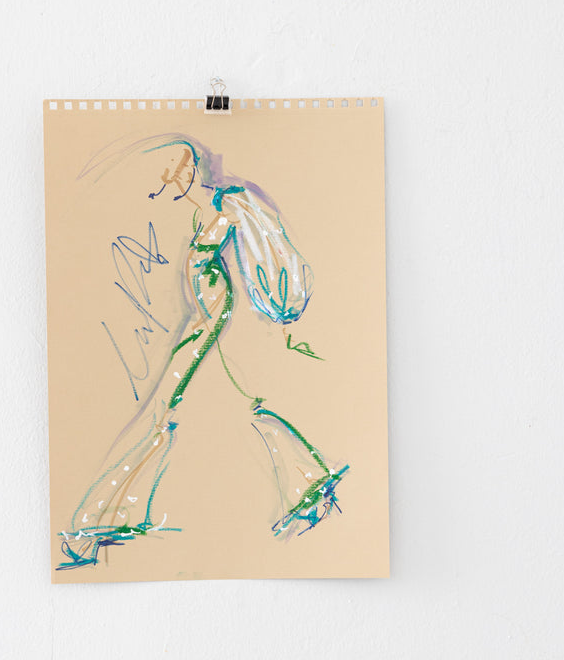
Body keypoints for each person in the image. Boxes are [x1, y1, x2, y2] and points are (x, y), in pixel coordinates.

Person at [58, 135, 347, 570]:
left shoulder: (228, 204)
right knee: (189, 410)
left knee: (176, 410)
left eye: (176, 173)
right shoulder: (193, 211)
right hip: (202, 319)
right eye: (168, 177)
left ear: (190, 170)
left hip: (217, 318)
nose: (170, 183)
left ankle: (102, 520)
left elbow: (262, 253)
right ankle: (104, 519)